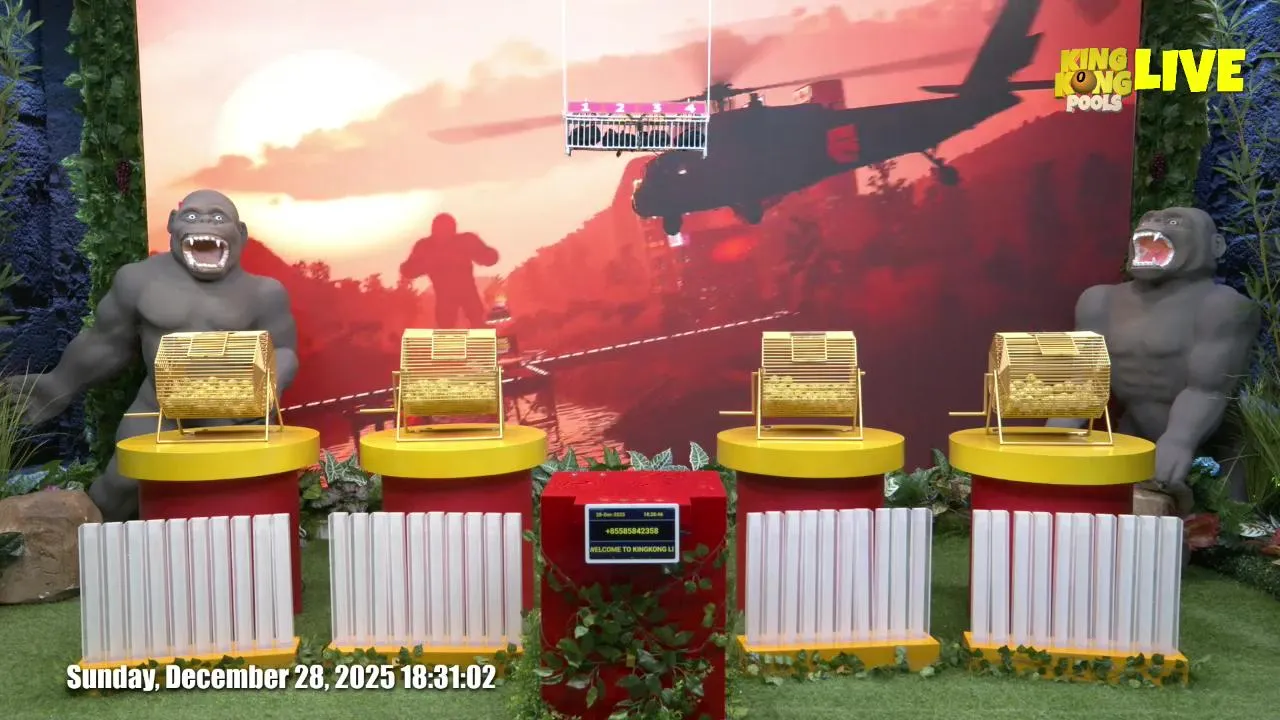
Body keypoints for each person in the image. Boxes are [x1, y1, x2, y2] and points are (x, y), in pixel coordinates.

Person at [400, 213, 499, 328]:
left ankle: (476, 327)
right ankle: (475, 327)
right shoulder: (427, 246)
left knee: (471, 316)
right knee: (450, 320)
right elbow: (408, 270)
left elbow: (487, 257)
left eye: (446, 230)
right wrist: (424, 264)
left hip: (461, 292)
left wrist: (488, 255)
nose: (444, 235)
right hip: (449, 295)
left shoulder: (463, 241)